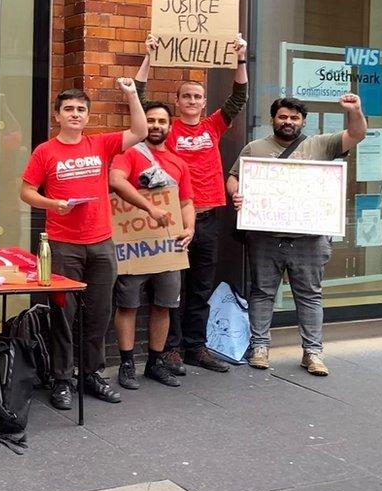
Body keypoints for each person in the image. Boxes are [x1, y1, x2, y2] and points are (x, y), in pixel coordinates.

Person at [20, 79, 147, 410]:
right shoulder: (45, 151)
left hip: (101, 244)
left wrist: (132, 94)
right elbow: (26, 191)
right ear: (57, 116)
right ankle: (62, 379)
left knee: (99, 314)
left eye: (81, 110)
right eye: (69, 109)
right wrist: (53, 205)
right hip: (63, 246)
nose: (75, 114)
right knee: (63, 315)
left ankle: (92, 374)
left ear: (87, 116)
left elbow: (140, 130)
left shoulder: (100, 144)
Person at [228, 95, 367, 376]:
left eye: (294, 118)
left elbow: (357, 133)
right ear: (273, 119)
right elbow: (233, 177)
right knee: (262, 292)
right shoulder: (254, 147)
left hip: (310, 238)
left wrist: (355, 110)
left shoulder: (321, 144)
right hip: (265, 237)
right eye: (282, 117)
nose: (288, 122)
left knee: (309, 296)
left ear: (303, 121)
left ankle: (313, 353)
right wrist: (235, 194)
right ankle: (259, 347)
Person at [134, 33, 249, 374]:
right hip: (174, 218)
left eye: (197, 96)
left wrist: (241, 58)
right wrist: (149, 57)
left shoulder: (214, 125)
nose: (192, 101)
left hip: (210, 217)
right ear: (178, 100)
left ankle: (195, 347)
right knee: (172, 289)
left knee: (200, 287)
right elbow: (140, 101)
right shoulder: (166, 130)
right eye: (186, 96)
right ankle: (170, 349)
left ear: (202, 102)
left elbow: (239, 96)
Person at [109, 102, 196, 389]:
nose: (156, 126)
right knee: (128, 305)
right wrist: (150, 209)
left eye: (162, 121)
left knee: (164, 305)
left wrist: (190, 228)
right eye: (151, 121)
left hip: (167, 248)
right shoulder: (128, 154)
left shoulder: (178, 163)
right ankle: (126, 364)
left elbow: (186, 202)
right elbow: (116, 181)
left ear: (170, 127)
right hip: (133, 248)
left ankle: (155, 363)